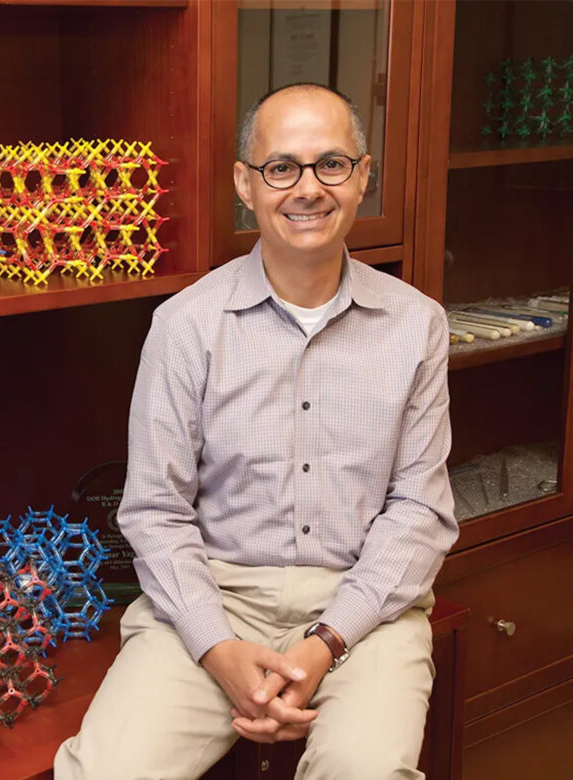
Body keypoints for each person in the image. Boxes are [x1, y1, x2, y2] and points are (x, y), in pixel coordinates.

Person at [54, 82, 458, 780]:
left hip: (364, 608)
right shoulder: (186, 325)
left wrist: (325, 641)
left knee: (366, 771)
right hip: (214, 596)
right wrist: (217, 646)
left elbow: (419, 511)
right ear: (246, 183)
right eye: (282, 168)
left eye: (332, 164)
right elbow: (155, 510)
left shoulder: (416, 324)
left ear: (363, 177)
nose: (308, 188)